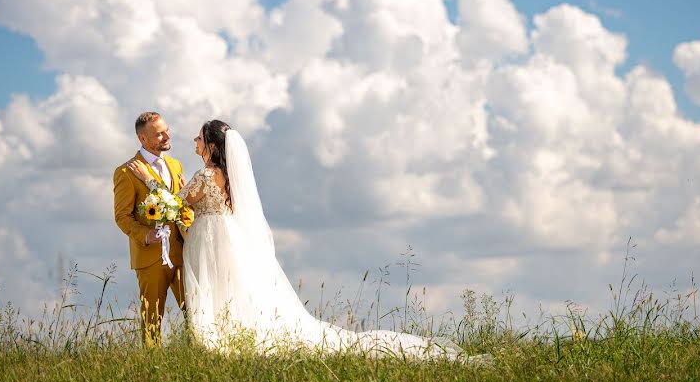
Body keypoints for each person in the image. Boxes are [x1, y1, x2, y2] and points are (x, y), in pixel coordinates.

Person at [126, 119, 469, 360]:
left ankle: (217, 341)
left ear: (212, 145)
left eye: (199, 139)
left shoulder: (204, 174)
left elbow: (176, 202)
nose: (194, 143)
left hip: (209, 238)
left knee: (214, 288)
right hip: (224, 236)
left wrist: (150, 180)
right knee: (228, 287)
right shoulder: (227, 175)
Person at [113, 111, 192, 346]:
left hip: (182, 251)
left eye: (166, 130)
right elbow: (122, 217)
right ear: (143, 139)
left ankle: (201, 356)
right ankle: (151, 365)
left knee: (196, 311)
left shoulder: (175, 164)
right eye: (159, 134)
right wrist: (145, 235)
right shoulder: (125, 172)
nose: (167, 136)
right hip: (150, 256)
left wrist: (189, 231)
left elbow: (183, 204)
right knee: (151, 319)